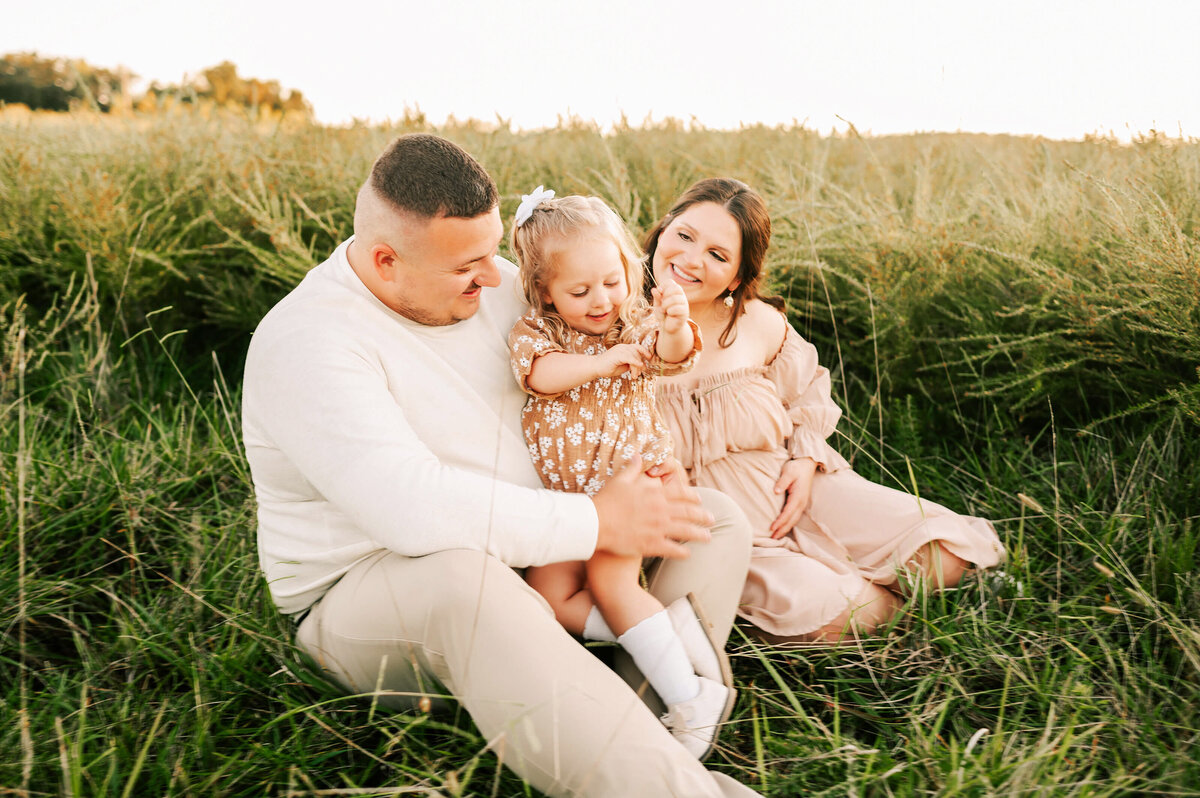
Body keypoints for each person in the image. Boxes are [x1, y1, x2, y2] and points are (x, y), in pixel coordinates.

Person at [241, 135, 758, 796]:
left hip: (537, 546)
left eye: (494, 254)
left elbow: (608, 343)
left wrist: (640, 477)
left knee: (707, 517)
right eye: (469, 266)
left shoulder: (497, 284)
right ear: (385, 261)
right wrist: (598, 521)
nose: (494, 279)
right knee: (469, 587)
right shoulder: (309, 342)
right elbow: (414, 513)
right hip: (377, 591)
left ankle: (645, 722)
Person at [643, 178, 1006, 643]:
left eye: (717, 254)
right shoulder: (612, 315)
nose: (692, 259)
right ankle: (891, 614)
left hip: (791, 486)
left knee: (942, 555)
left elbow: (808, 390)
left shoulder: (757, 322)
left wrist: (803, 458)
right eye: (685, 235)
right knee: (845, 613)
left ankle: (912, 597)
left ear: (736, 276)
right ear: (664, 229)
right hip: (718, 526)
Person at [507, 188, 733, 758]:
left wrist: (676, 323)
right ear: (545, 292)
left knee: (611, 586)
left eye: (612, 280)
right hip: (567, 500)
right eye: (579, 291)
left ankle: (689, 697)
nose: (601, 299)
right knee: (549, 600)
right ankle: (670, 640)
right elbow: (541, 375)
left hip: (629, 485)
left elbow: (672, 351)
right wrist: (601, 362)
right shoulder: (539, 334)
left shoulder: (633, 324)